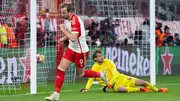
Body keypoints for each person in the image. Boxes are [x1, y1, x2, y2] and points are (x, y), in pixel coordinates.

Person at [45, 3, 107, 101]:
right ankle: (56, 94)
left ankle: (100, 75)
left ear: (70, 12)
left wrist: (63, 30)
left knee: (81, 74)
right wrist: (63, 38)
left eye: (64, 13)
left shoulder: (75, 21)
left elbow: (73, 37)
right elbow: (71, 34)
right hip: (71, 49)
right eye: (62, 12)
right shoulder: (69, 20)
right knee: (61, 68)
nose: (63, 14)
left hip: (80, 51)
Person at [80, 49, 168, 93]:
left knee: (142, 82)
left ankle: (157, 90)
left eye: (101, 55)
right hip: (114, 86)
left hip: (121, 78)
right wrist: (86, 89)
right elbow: (91, 78)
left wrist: (109, 84)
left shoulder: (109, 62)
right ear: (95, 59)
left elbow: (115, 75)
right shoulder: (94, 67)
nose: (101, 57)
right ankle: (139, 89)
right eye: (99, 56)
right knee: (122, 90)